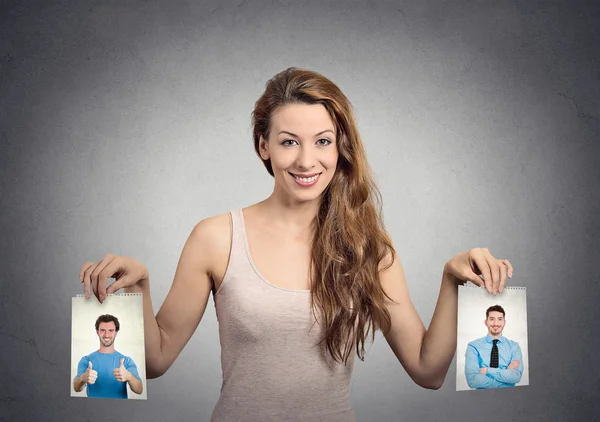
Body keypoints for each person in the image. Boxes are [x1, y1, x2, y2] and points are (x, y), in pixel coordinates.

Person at [78, 68, 514, 420]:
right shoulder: (215, 237)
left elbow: (428, 370)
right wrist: (141, 286)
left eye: (323, 141)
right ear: (263, 146)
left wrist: (451, 281)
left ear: (340, 148)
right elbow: (155, 362)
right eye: (289, 142)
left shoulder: (368, 249)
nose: (307, 161)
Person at [73, 314, 143, 399]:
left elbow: (139, 390)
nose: (106, 335)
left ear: (116, 332)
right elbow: (76, 388)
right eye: (102, 330)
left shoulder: (126, 361)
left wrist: (129, 377)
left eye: (111, 330)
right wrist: (82, 378)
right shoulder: (86, 360)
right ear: (97, 332)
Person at [464, 305, 523, 389]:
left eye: (500, 319)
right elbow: (472, 381)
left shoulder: (514, 347)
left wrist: (486, 371)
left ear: (504, 322)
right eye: (491, 319)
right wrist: (506, 374)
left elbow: (516, 377)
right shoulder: (473, 346)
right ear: (486, 322)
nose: (496, 323)